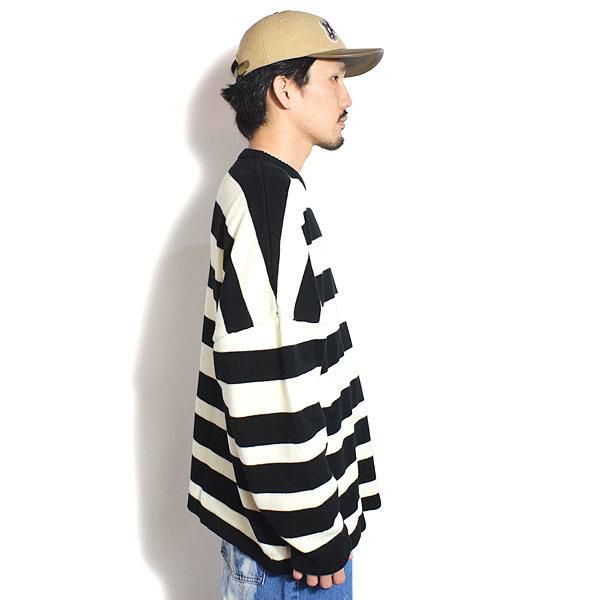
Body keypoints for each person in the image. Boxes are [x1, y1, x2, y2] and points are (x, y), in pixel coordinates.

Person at [186, 10, 384, 599]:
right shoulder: (266, 204)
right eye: (334, 78)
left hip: (292, 540)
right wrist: (316, 536)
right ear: (284, 90)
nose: (347, 97)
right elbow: (267, 384)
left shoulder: (267, 191)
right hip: (292, 559)